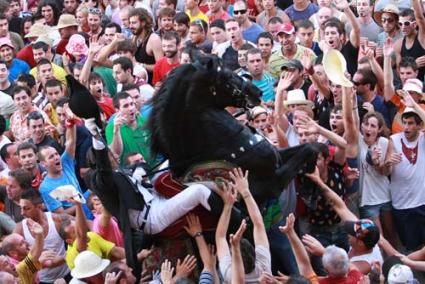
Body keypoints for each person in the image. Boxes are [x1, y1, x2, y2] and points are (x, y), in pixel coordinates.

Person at [216, 168, 271, 282]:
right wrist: (245, 192)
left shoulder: (230, 274)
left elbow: (220, 237)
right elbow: (259, 225)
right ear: (256, 256)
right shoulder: (263, 268)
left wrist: (228, 204)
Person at [387, 93, 425, 251]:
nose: (407, 127)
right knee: (411, 247)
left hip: (422, 202)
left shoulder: (422, 138)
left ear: (419, 125)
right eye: (405, 123)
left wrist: (414, 105)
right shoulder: (393, 139)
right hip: (401, 204)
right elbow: (385, 171)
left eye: (411, 123)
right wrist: (388, 163)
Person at [14, 189, 71, 283]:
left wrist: (64, 258)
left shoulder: (56, 219)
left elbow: (79, 237)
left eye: (26, 208)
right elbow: (15, 262)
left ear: (39, 207)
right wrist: (38, 263)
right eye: (21, 208)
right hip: (41, 281)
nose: (22, 213)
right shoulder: (19, 229)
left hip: (67, 274)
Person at [0, 217, 45, 284]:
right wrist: (39, 234)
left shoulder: (16, 263)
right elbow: (34, 255)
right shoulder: (19, 268)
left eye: (24, 240)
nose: (26, 243)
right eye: (21, 243)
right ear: (13, 253)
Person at [129, 8, 163, 84]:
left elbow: (161, 67)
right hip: (137, 81)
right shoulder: (134, 37)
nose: (131, 26)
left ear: (143, 23)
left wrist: (141, 65)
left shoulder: (154, 39)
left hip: (151, 84)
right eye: (130, 23)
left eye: (134, 23)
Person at [393, 3, 425, 81]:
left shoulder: (422, 38)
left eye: (406, 23)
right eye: (400, 24)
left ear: (414, 24)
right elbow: (398, 71)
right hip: (408, 85)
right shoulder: (398, 44)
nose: (403, 27)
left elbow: (420, 18)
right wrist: (413, 65)